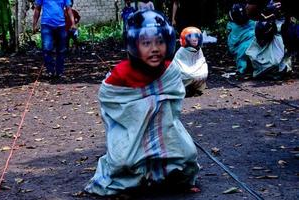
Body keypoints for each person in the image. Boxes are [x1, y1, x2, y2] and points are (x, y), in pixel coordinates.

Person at [84, 10, 200, 196]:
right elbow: (110, 100)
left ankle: (176, 181)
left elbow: (174, 97)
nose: (154, 49)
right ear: (134, 45)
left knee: (188, 155)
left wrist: (155, 103)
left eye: (160, 42)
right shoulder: (121, 74)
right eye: (146, 43)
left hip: (164, 129)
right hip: (133, 130)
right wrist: (143, 105)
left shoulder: (169, 70)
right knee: (123, 161)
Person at [33, 0, 75, 79]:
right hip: (46, 25)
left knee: (61, 50)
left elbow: (69, 8)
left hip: (61, 25)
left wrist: (73, 23)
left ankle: (59, 72)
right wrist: (34, 24)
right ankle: (50, 71)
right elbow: (37, 8)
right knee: (46, 48)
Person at [171, 26, 208, 96]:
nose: (194, 40)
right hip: (187, 74)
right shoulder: (182, 51)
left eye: (196, 38)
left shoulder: (199, 50)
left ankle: (196, 89)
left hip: (194, 75)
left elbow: (201, 62)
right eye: (191, 38)